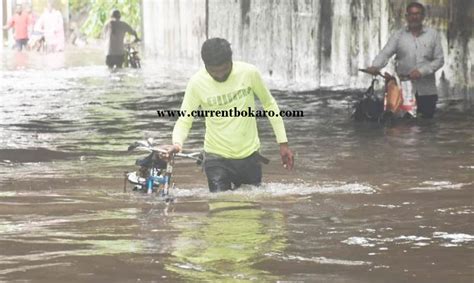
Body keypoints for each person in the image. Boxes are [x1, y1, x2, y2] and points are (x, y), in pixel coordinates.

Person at [164, 37, 294, 192]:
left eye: (224, 69)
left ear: (231, 61)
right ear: (205, 66)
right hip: (215, 157)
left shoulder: (249, 73)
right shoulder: (196, 83)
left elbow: (269, 104)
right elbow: (185, 119)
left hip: (249, 156)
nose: (219, 75)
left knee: (250, 210)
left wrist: (283, 143)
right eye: (213, 71)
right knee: (220, 205)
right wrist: (177, 143)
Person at [366, 2, 444, 119]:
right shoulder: (398, 35)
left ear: (423, 16)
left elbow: (439, 60)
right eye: (411, 14)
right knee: (403, 127)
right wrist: (375, 66)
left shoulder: (433, 35)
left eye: (417, 14)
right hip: (403, 89)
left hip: (427, 90)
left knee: (427, 127)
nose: (414, 17)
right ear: (406, 17)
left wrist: (421, 71)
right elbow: (385, 53)